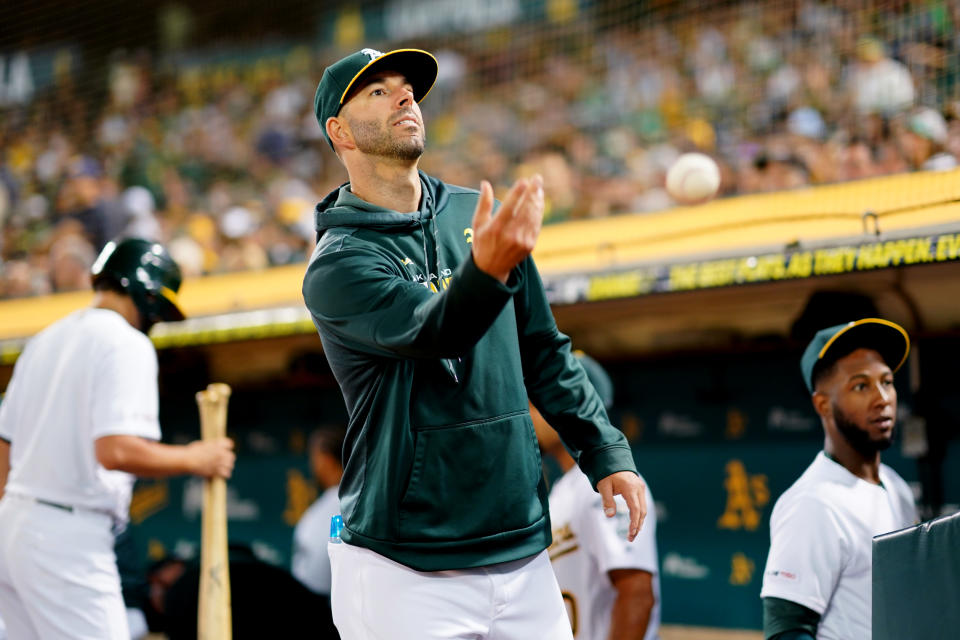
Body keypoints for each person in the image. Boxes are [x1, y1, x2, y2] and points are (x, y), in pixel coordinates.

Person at [302, 47, 646, 640]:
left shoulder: (471, 213)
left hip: (521, 545)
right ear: (340, 131)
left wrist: (605, 452)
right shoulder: (337, 266)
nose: (405, 96)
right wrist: (486, 271)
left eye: (406, 86)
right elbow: (435, 331)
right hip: (402, 565)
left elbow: (543, 347)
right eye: (377, 92)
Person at [0, 237, 236, 640]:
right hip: (67, 532)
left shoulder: (44, 339)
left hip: (13, 527)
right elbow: (116, 450)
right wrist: (197, 458)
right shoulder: (126, 342)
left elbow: (4, 447)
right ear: (144, 294)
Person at [761, 318, 918, 640]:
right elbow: (787, 630)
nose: (882, 398)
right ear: (822, 404)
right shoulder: (813, 503)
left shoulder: (895, 486)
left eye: (887, 382)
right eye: (861, 386)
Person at [534, 352, 660, 640]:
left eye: (537, 399)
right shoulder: (567, 487)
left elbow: (636, 594)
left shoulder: (606, 485)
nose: (530, 410)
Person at [291, 425, 345, 597]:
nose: (312, 463)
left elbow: (321, 559)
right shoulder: (340, 500)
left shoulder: (338, 504)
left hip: (322, 607)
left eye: (314, 456)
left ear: (326, 459)